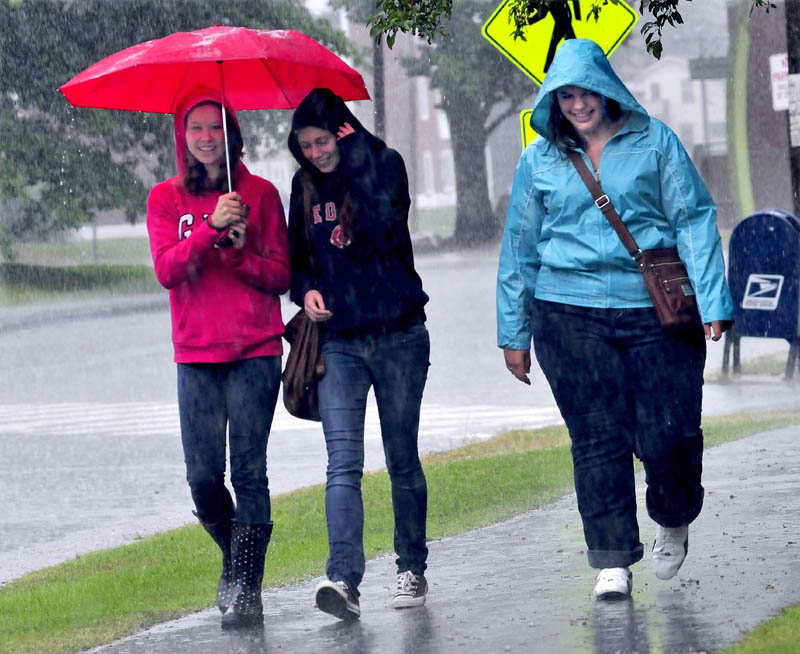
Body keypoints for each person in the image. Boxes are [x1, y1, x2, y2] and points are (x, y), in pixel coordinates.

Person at [496, 39, 733, 601]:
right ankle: (611, 558)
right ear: (553, 100)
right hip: (567, 311)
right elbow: (520, 248)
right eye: (567, 96)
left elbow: (695, 218)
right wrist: (513, 331)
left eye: (588, 93)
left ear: (609, 88)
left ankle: (672, 515)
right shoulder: (539, 159)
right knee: (597, 437)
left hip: (656, 309)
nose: (579, 105)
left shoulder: (655, 144)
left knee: (668, 432)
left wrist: (714, 300)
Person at [146, 86, 290, 628]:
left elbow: (280, 275)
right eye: (196, 128)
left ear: (233, 134)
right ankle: (234, 557)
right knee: (203, 476)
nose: (207, 138)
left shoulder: (261, 194)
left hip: (255, 349)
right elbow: (167, 271)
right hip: (197, 354)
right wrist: (208, 232)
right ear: (183, 139)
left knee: (250, 472)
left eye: (216, 127)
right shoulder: (165, 199)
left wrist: (242, 253)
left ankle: (247, 588)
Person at [287, 88, 431, 620]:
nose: (316, 153)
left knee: (401, 459)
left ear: (343, 130)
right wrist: (306, 292)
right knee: (342, 464)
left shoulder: (384, 164)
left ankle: (410, 567)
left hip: (398, 335)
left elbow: (390, 230)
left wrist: (362, 154)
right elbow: (296, 262)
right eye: (305, 145)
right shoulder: (302, 186)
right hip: (339, 342)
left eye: (323, 140)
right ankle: (342, 579)